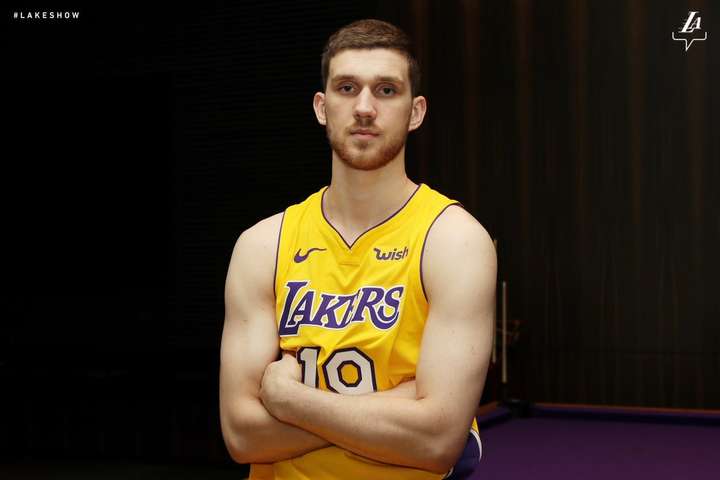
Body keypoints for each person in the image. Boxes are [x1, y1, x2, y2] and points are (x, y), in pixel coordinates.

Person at [219, 19, 496, 480]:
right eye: (347, 88)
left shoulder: (455, 241)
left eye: (386, 90)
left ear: (415, 112)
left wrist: (290, 400)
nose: (365, 108)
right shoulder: (262, 245)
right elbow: (242, 436)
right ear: (322, 107)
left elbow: (436, 441)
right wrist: (398, 409)